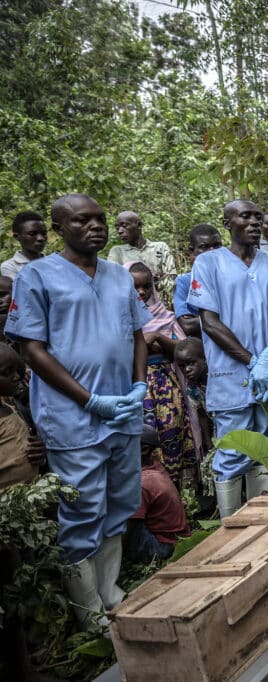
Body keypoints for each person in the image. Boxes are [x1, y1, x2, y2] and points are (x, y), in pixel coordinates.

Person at [5, 194, 150, 628]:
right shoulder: (37, 277)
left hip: (122, 410)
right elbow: (31, 348)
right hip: (74, 418)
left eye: (100, 219)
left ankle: (111, 593)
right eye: (82, 220)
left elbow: (139, 333)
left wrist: (139, 382)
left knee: (120, 502)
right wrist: (89, 399)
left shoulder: (120, 277)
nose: (96, 226)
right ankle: (88, 612)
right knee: (83, 509)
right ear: (59, 228)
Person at [189, 199, 268, 518]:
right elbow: (210, 322)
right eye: (245, 216)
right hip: (231, 377)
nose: (254, 222)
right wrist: (252, 361)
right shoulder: (208, 264)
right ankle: (230, 529)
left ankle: (260, 526)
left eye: (258, 217)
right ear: (227, 222)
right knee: (233, 452)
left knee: (266, 450)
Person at [127, 261, 198, 486]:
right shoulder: (118, 318)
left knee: (172, 434)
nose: (141, 292)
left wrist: (158, 337)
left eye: (146, 287)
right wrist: (141, 344)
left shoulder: (165, 316)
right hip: (134, 387)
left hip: (167, 386)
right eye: (135, 287)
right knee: (144, 442)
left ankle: (177, 492)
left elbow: (184, 350)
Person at [126, 426, 190, 563]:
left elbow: (130, 524)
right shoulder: (156, 466)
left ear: (143, 450)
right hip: (173, 540)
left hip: (160, 547)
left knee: (119, 521)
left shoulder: (143, 482)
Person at [0, 344, 45, 488]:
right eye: (7, 372)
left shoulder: (10, 407)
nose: (17, 377)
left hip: (26, 502)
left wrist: (39, 451)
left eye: (17, 370)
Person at [107, 211, 177, 299]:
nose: (120, 231)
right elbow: (114, 280)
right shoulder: (117, 251)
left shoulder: (160, 247)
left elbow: (171, 276)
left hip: (161, 302)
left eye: (124, 226)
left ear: (139, 225)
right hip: (132, 302)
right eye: (117, 228)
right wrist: (154, 277)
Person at [173, 224, 222, 338]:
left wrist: (200, 320)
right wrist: (227, 317)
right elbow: (187, 325)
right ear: (192, 251)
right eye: (204, 246)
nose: (212, 251)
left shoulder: (233, 277)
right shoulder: (183, 282)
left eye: (217, 246)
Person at [2, 211, 48, 279]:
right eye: (32, 234)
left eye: (44, 233)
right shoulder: (10, 266)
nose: (40, 238)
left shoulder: (53, 262)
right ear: (17, 236)